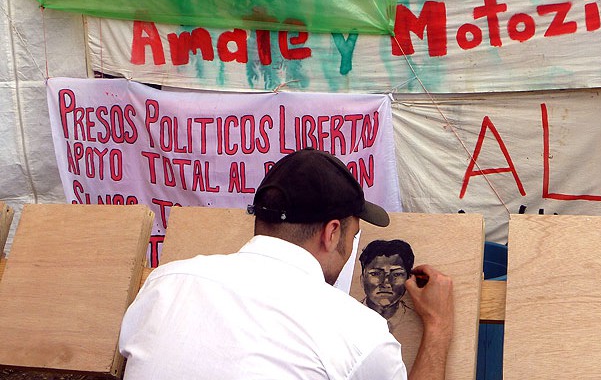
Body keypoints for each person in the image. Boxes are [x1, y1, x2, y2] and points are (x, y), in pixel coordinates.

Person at [119, 147, 454, 380]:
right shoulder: (360, 333)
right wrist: (438, 327)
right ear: (332, 233)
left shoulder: (165, 283)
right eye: (354, 237)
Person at [359, 239, 416, 333]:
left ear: (408, 280)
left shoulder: (415, 322)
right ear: (362, 279)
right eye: (376, 274)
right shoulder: (344, 317)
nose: (386, 283)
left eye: (396, 274)